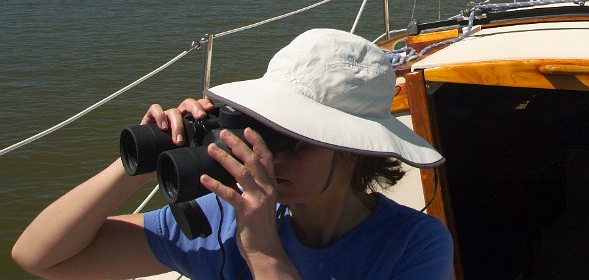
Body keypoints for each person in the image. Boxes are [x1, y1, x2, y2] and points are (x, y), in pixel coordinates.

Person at [12, 28, 453, 279]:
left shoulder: (412, 246)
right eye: (260, 131)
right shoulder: (222, 221)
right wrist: (142, 161)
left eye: (293, 141)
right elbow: (40, 257)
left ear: (354, 151)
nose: (266, 158)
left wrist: (262, 250)